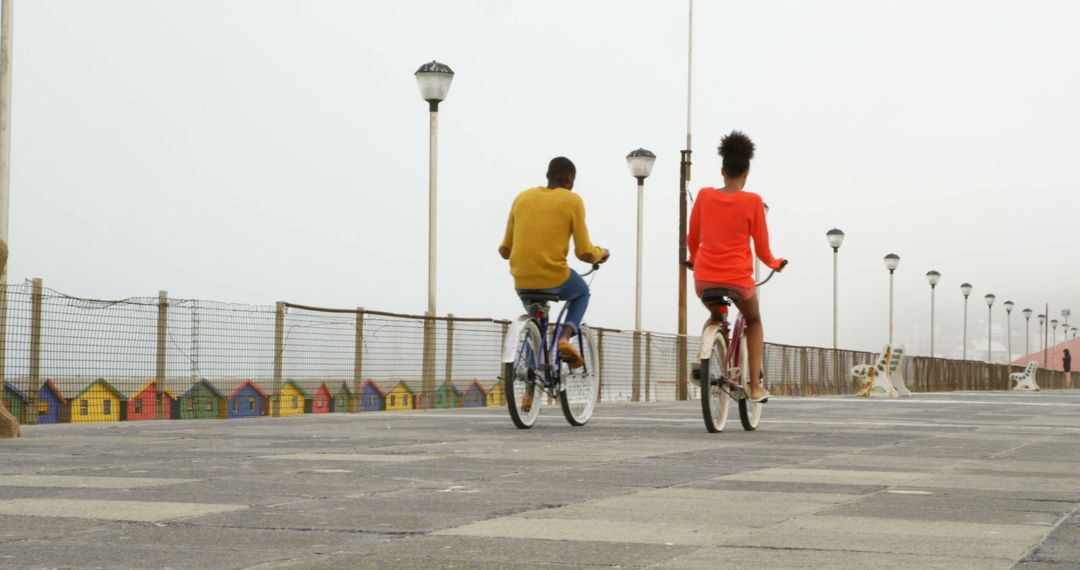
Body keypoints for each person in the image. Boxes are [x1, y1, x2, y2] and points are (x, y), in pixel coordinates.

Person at [686, 131, 785, 403]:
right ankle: (755, 387)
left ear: (722, 171)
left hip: (704, 279)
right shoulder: (753, 201)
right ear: (746, 173)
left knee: (717, 315)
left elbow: (692, 239)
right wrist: (776, 264)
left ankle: (700, 358)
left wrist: (694, 260)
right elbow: (763, 249)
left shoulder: (705, 196)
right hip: (738, 282)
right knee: (753, 321)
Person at [499, 156, 609, 368]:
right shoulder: (572, 200)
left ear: (548, 175)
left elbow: (505, 250)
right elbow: (584, 252)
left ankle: (531, 387)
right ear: (569, 179)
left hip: (522, 280)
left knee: (538, 326)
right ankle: (564, 338)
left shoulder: (521, 198)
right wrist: (601, 253)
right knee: (582, 292)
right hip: (554, 276)